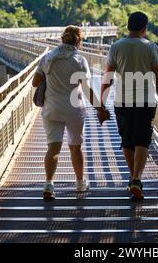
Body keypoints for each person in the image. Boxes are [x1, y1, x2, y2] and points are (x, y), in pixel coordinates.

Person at [32, 26, 110, 199]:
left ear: (62, 39)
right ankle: (80, 183)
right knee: (75, 147)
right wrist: (100, 109)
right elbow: (86, 88)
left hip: (52, 108)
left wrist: (49, 77)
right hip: (74, 109)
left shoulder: (48, 58)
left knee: (53, 147)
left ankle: (48, 185)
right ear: (78, 41)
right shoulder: (80, 60)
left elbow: (35, 83)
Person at [100, 12, 158, 200]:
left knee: (127, 141)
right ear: (144, 28)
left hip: (121, 101)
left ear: (128, 26)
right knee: (142, 140)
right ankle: (136, 178)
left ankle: (134, 178)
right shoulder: (150, 47)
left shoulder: (116, 47)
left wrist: (101, 104)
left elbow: (107, 76)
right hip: (146, 101)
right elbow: (157, 76)